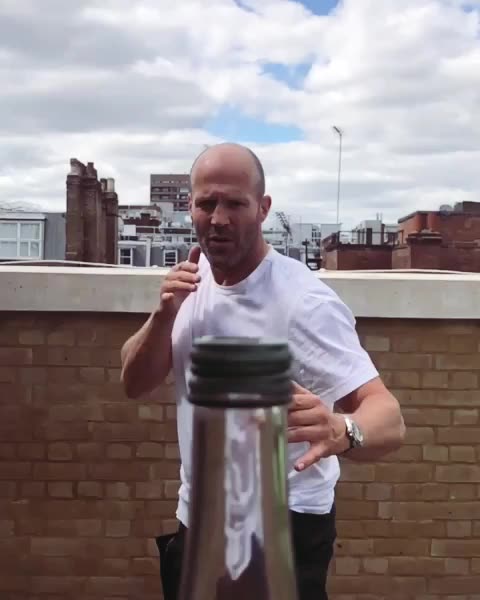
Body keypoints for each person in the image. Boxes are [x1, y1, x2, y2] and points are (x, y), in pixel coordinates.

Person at [120, 142, 406, 600]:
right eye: (207, 203)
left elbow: (389, 418)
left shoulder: (303, 301)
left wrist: (342, 429)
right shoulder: (194, 278)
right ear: (190, 207)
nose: (218, 219)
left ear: (263, 208)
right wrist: (163, 315)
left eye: (235, 204)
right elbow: (134, 383)